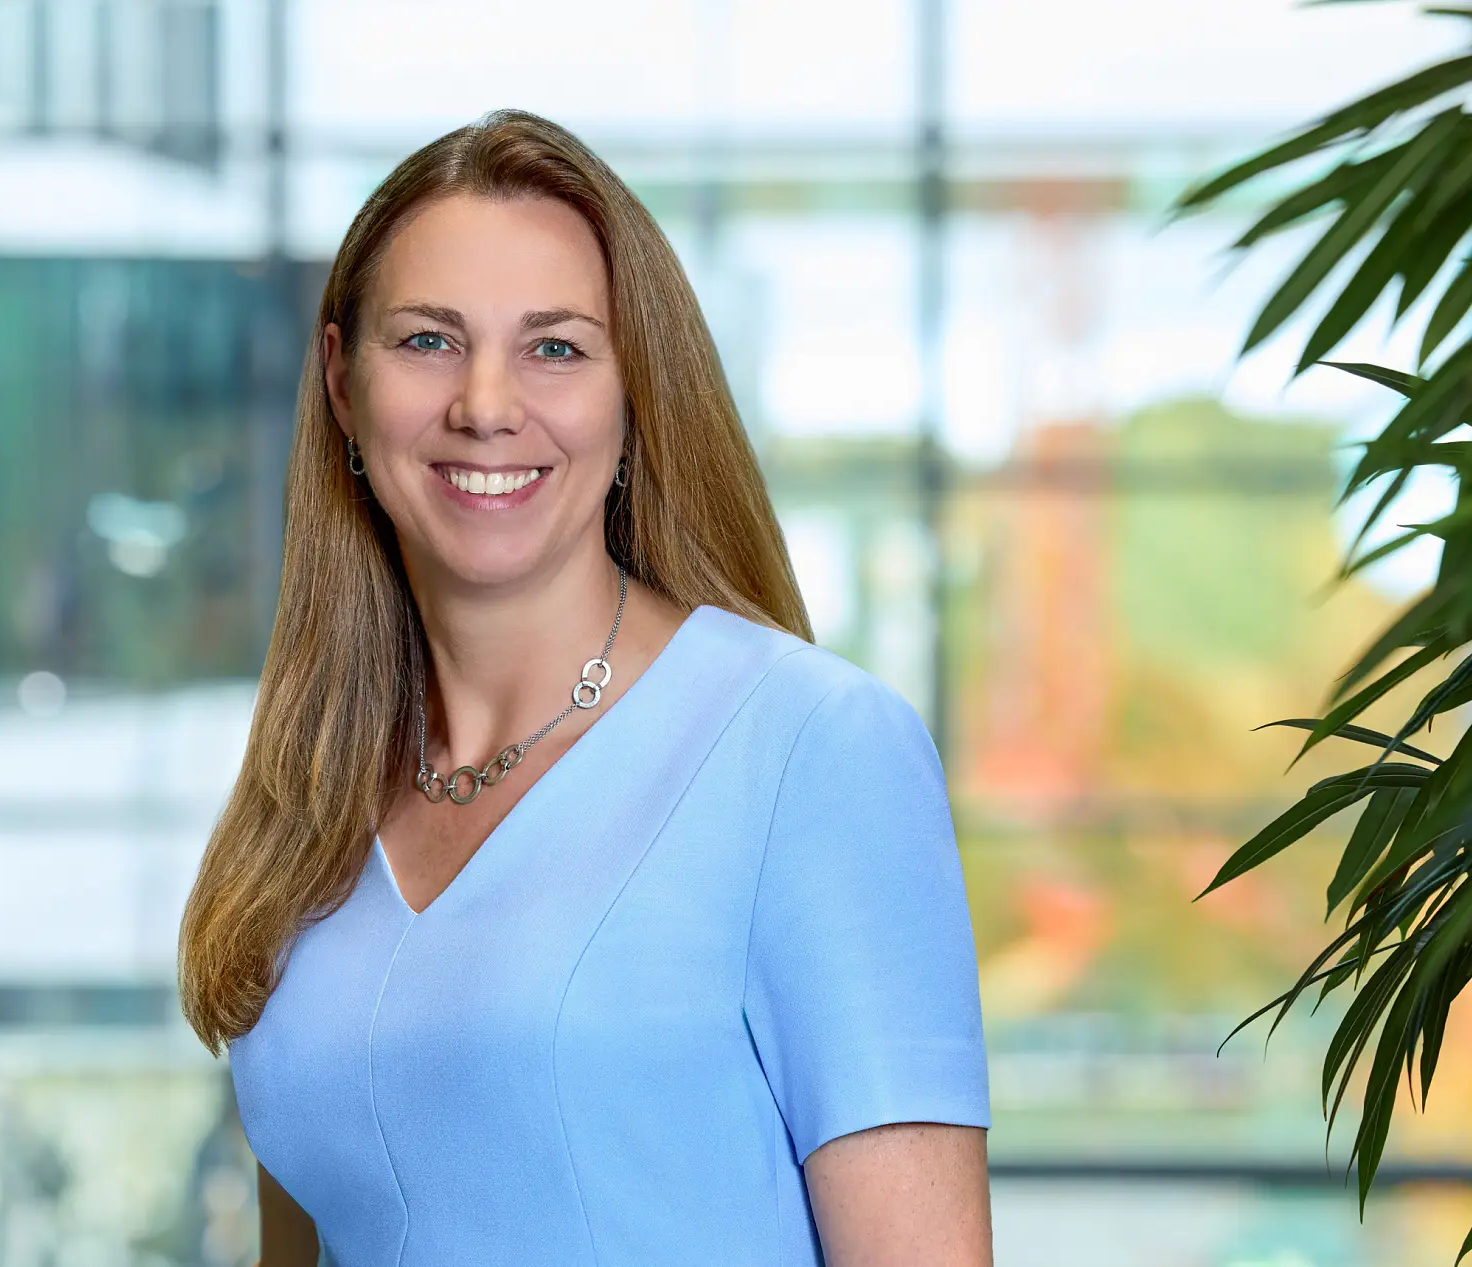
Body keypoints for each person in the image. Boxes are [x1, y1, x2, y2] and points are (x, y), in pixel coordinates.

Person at [177, 109, 992, 1267]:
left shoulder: (810, 747)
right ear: (341, 382)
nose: (486, 403)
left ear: (632, 395)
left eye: (555, 347)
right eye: (427, 341)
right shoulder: (308, 798)